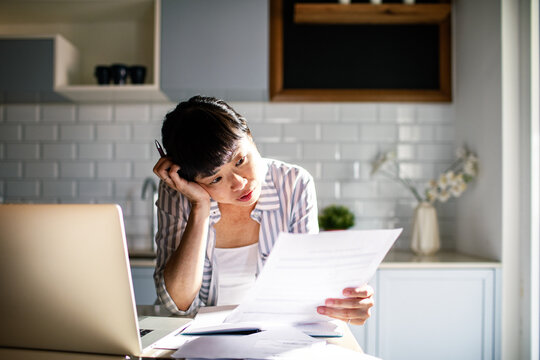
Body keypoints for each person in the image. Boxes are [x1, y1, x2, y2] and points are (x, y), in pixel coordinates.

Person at [152, 95, 373, 325]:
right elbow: (177, 304)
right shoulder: (179, 193)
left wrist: (345, 301)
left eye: (239, 161)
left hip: (276, 335)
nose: (239, 183)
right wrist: (200, 207)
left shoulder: (294, 184)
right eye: (216, 179)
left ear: (249, 136)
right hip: (199, 339)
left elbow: (304, 287)